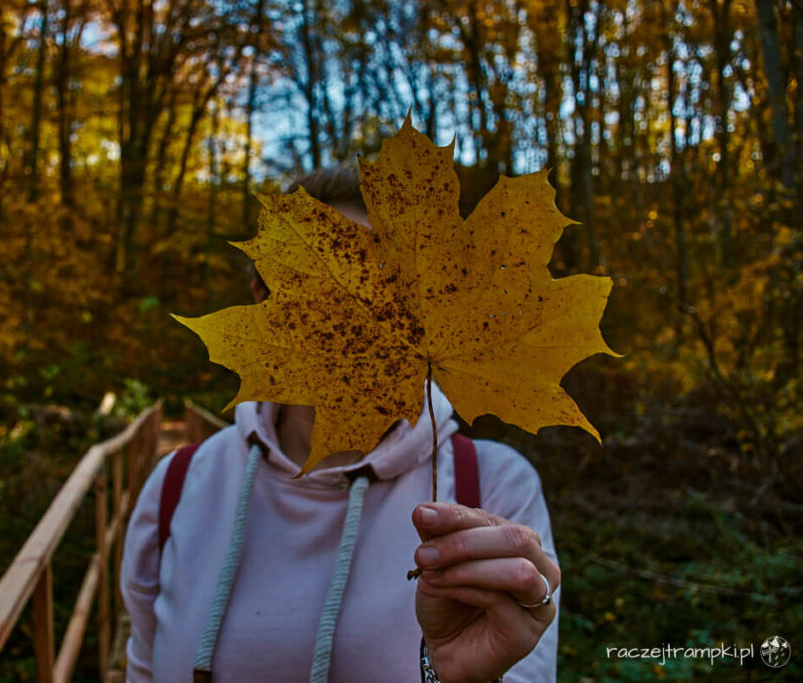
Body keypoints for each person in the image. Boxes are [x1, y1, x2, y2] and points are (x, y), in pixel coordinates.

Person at [121, 166, 561, 682]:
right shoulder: (177, 487)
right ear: (265, 299)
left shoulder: (492, 490)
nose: (364, 303)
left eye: (388, 277)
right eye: (327, 272)